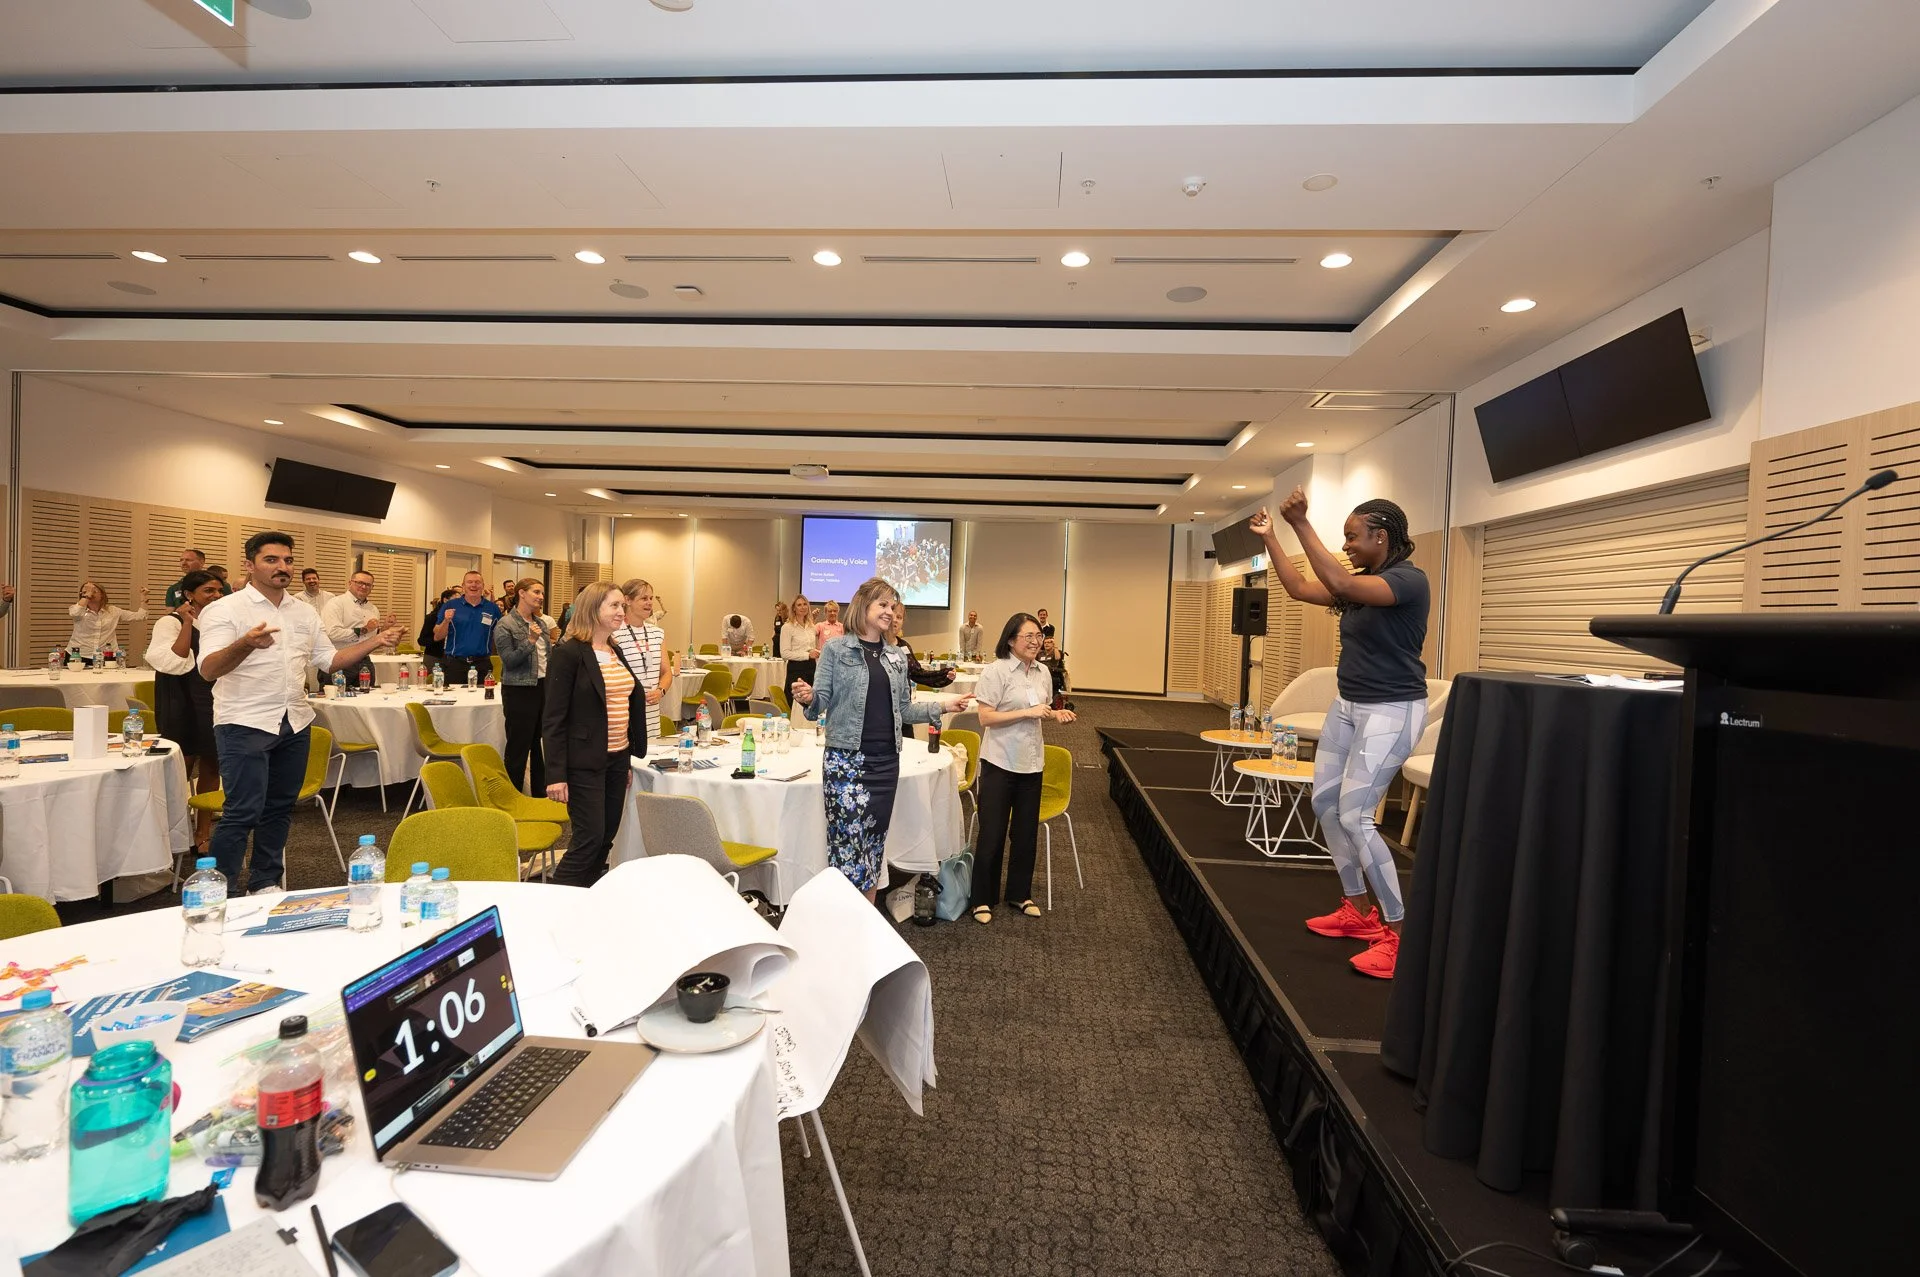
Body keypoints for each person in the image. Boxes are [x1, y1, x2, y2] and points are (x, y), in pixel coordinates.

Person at [1250, 489, 1430, 980]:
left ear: (1381, 537)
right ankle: (1359, 911)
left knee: (1355, 816)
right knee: (1326, 804)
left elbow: (1338, 580)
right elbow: (1298, 587)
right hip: (1349, 706)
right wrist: (1271, 538)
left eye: (1352, 537)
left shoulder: (1407, 581)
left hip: (1391, 710)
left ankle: (1400, 936)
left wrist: (1301, 523)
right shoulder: (1361, 585)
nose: (1346, 545)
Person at [197, 531, 403, 894]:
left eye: (288, 560)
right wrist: (246, 644)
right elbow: (209, 669)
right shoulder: (225, 609)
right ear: (249, 565)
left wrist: (376, 640)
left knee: (279, 808)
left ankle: (264, 883)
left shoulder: (304, 612)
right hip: (244, 722)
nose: (282, 567)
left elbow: (330, 660)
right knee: (241, 811)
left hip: (294, 721)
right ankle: (221, 894)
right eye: (271, 560)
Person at [791, 577, 973, 902]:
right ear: (863, 605)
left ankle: (865, 920)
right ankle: (842, 921)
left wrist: (945, 706)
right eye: (883, 605)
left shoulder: (896, 657)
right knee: (846, 851)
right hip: (846, 763)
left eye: (893, 606)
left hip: (886, 763)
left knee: (873, 849)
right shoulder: (835, 649)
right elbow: (819, 703)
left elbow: (904, 709)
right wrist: (808, 698)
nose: (890, 612)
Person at [968, 613, 1076, 924]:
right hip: (1000, 761)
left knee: (1026, 834)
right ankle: (982, 899)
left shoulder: (1043, 672)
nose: (1035, 641)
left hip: (1031, 762)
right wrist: (1027, 712)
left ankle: (1019, 894)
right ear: (1011, 639)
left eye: (1039, 636)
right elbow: (986, 718)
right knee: (992, 833)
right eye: (1028, 636)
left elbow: (1042, 709)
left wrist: (1055, 715)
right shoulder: (996, 671)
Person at [542, 582, 648, 887]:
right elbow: (553, 718)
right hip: (583, 761)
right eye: (614, 606)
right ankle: (554, 902)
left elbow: (624, 705)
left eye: (622, 606)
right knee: (588, 839)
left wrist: (626, 759)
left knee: (604, 839)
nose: (621, 612)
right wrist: (556, 774)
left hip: (617, 759)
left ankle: (585, 899)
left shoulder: (614, 650)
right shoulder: (569, 653)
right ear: (592, 609)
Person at [146, 570, 223, 855]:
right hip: (180, 697)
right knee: (181, 768)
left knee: (212, 763)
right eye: (209, 591)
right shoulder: (169, 622)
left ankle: (203, 832)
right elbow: (176, 659)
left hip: (212, 696)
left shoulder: (219, 620)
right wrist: (187, 622)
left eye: (219, 591)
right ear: (190, 594)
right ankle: (175, 834)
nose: (216, 596)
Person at [495, 577, 558, 795]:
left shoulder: (542, 624)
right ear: (521, 593)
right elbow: (509, 661)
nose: (541, 597)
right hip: (519, 690)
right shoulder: (505, 624)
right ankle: (512, 796)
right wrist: (530, 641)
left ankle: (541, 795)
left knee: (540, 746)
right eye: (536, 592)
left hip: (543, 687)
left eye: (542, 593)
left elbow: (547, 658)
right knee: (518, 747)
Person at [612, 578, 676, 748]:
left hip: (652, 711)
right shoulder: (614, 634)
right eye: (643, 598)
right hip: (626, 711)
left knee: (651, 755)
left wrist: (660, 691)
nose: (649, 603)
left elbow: (666, 672)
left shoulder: (657, 633)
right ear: (627, 600)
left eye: (651, 598)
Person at [431, 571, 502, 684]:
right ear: (463, 586)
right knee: (455, 695)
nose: (473, 585)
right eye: (470, 582)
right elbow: (437, 637)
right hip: (455, 664)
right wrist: (446, 621)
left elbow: (501, 634)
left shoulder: (493, 608)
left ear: (483, 586)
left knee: (484, 696)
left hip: (482, 664)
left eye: (477, 582)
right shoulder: (450, 605)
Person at [320, 571, 383, 685]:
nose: (364, 587)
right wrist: (364, 629)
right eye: (360, 583)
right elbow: (332, 633)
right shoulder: (336, 603)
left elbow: (370, 638)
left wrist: (385, 629)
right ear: (350, 583)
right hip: (339, 661)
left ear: (372, 587)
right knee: (336, 696)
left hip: (364, 662)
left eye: (368, 585)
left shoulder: (373, 609)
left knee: (368, 695)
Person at [67, 581, 149, 656]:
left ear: (102, 594)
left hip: (106, 655)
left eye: (94, 591)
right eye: (85, 592)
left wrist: (143, 597)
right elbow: (74, 613)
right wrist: (87, 596)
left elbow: (141, 616)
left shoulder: (113, 611)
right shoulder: (78, 610)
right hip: (78, 655)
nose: (90, 594)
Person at [779, 594, 818, 707]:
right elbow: (784, 653)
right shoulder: (787, 627)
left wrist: (816, 652)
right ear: (794, 608)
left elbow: (810, 647)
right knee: (796, 705)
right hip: (796, 668)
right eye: (799, 605)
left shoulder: (811, 626)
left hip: (811, 667)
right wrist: (807, 655)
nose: (803, 607)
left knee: (810, 703)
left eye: (805, 604)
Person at [418, 587, 458, 663]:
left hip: (455, 657)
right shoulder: (433, 617)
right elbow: (421, 640)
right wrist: (437, 637)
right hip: (435, 656)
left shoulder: (459, 617)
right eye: (456, 600)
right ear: (445, 600)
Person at [1039, 637, 1072, 710]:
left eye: (1049, 642)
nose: (1046, 644)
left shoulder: (1057, 652)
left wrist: (1055, 648)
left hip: (1054, 675)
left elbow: (1057, 658)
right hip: (1040, 675)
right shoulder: (1041, 653)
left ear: (1053, 644)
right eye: (1045, 642)